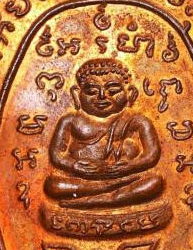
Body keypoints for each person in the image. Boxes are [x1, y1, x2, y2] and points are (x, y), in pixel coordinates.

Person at [43, 58, 164, 209]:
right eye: (91, 92)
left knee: (154, 182)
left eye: (112, 91)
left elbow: (151, 154)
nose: (102, 96)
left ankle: (99, 201)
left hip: (125, 177)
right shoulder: (70, 120)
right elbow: (57, 154)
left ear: (130, 93)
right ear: (76, 94)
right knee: (53, 185)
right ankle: (106, 191)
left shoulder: (137, 121)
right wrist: (74, 165)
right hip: (83, 180)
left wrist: (130, 166)